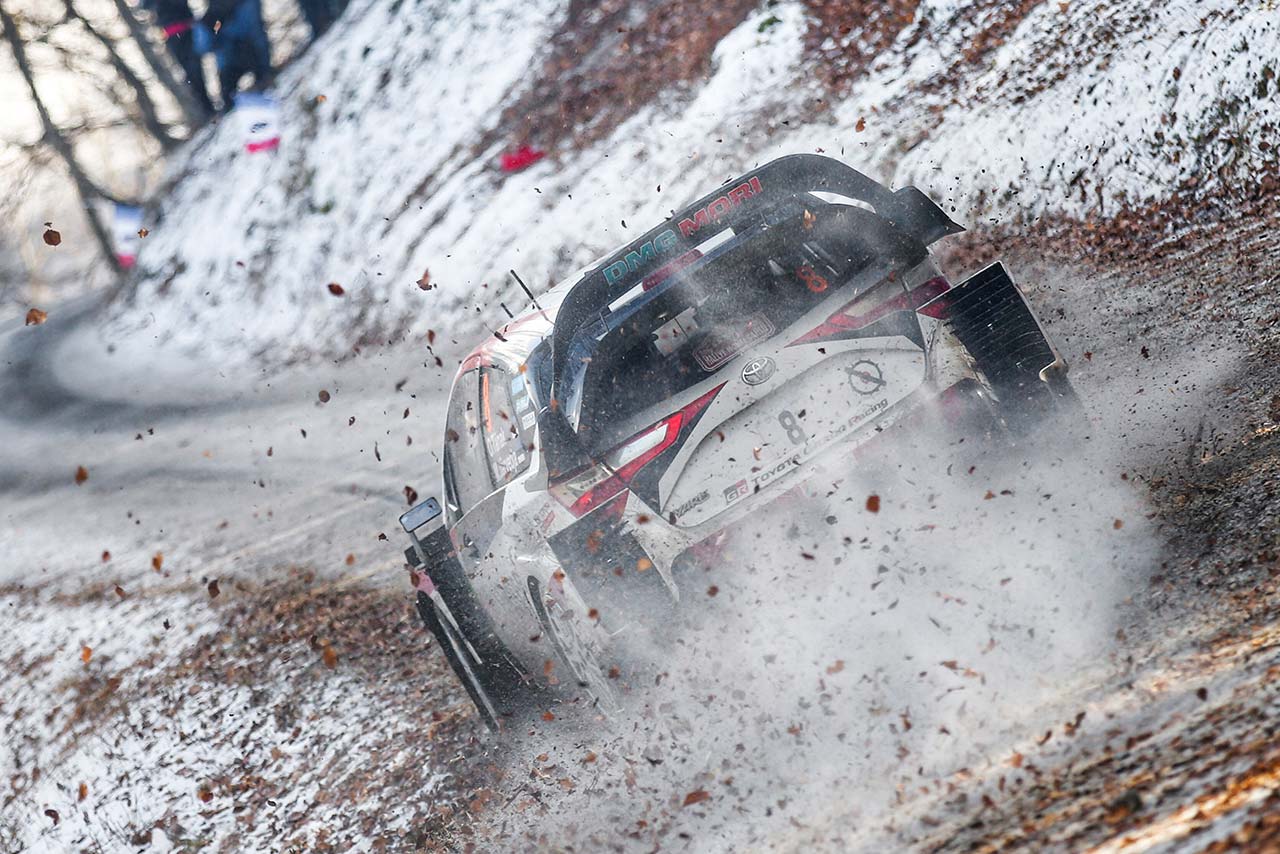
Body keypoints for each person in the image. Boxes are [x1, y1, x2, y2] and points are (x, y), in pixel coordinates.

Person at [142, 0, 215, 117]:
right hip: (174, 32)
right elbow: (146, 6)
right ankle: (206, 108)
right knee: (192, 70)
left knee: (196, 67)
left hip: (186, 27)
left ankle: (208, 107)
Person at [202, 0, 273, 110]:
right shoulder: (212, 18)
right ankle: (229, 103)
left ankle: (265, 75)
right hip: (230, 55)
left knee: (254, 41)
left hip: (246, 46)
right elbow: (205, 47)